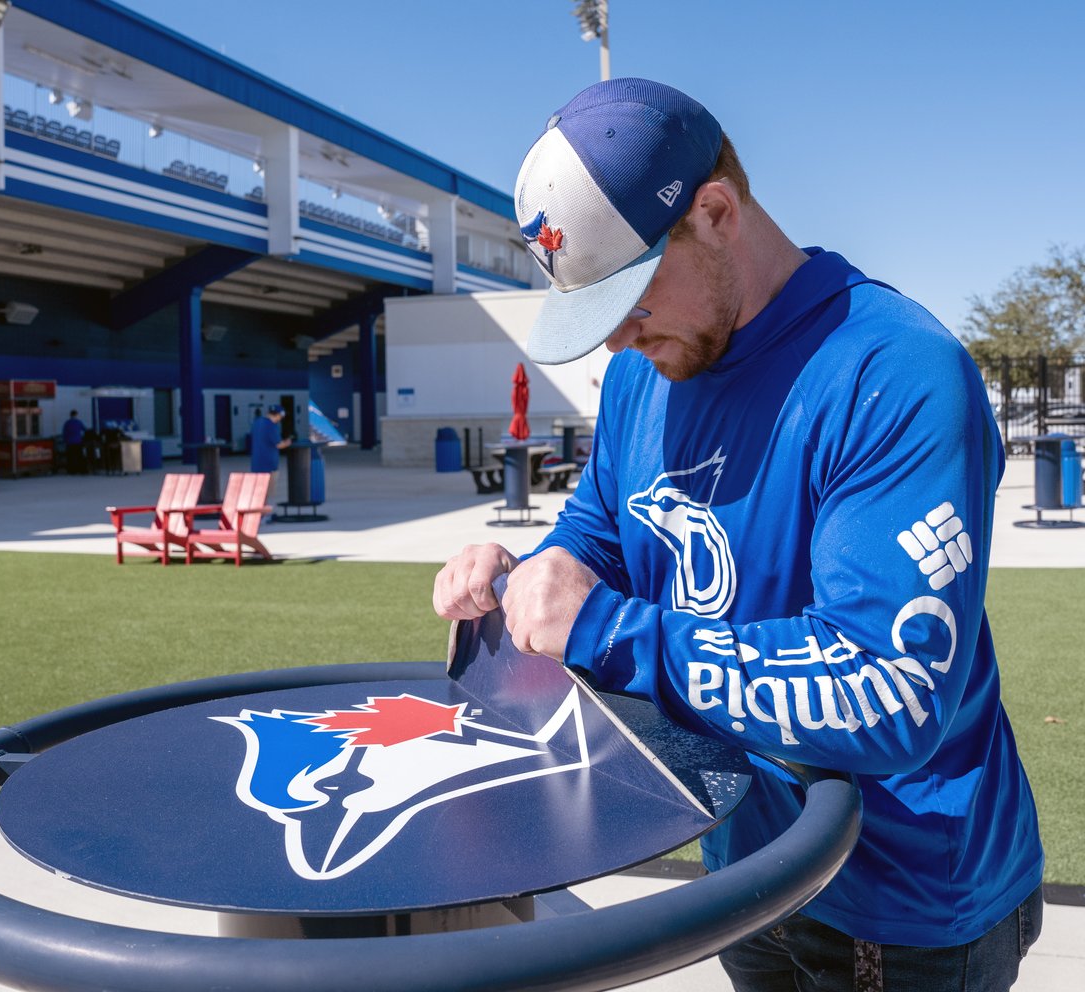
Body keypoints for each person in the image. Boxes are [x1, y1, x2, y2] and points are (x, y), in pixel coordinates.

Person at [432, 78, 1042, 991]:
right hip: (742, 867)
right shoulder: (652, 367)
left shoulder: (895, 372)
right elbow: (604, 525)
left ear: (716, 212)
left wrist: (600, 630)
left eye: (630, 297)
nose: (616, 342)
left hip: (901, 907)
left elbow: (888, 691)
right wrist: (533, 572)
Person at [250, 403, 292, 474]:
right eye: (281, 417)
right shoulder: (272, 426)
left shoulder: (256, 422)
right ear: (279, 415)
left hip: (255, 465)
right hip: (269, 466)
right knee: (269, 485)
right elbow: (279, 445)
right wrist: (288, 442)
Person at [61, 409, 86, 474]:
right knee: (79, 456)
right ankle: (81, 470)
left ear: (70, 415)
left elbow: (64, 433)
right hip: (78, 441)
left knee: (71, 457)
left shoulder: (67, 423)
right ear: (76, 415)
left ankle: (71, 470)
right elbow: (84, 429)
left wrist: (65, 440)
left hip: (69, 442)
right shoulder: (78, 422)